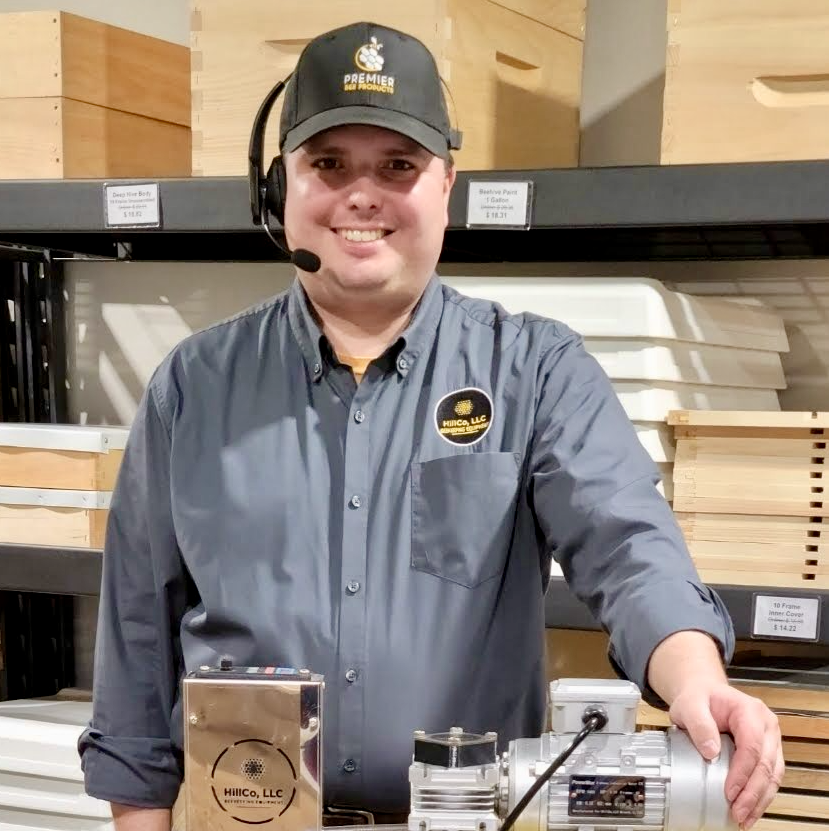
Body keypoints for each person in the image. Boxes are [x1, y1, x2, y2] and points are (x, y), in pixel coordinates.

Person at [78, 20, 783, 831]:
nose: (362, 194)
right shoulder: (192, 387)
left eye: (398, 166)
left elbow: (627, 545)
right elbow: (138, 633)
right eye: (328, 164)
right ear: (279, 190)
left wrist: (696, 678)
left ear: (445, 186)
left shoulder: (534, 371)